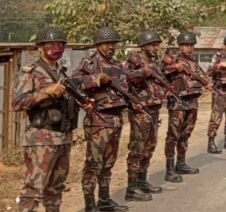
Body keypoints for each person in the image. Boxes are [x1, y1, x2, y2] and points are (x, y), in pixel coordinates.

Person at [13, 27, 91, 212]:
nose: (57, 47)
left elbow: (67, 100)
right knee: (33, 189)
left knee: (55, 188)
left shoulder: (62, 73)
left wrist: (82, 104)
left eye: (60, 44)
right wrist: (44, 92)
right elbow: (17, 103)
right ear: (40, 47)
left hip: (63, 137)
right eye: (52, 44)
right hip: (41, 138)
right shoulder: (30, 72)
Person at [72, 27, 148, 212]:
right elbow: (74, 82)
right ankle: (90, 204)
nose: (110, 47)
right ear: (98, 44)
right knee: (93, 164)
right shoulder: (90, 63)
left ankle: (104, 199)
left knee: (109, 162)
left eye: (113, 43)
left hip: (116, 118)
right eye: (107, 43)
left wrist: (134, 104)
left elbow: (124, 90)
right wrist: (97, 78)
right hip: (98, 120)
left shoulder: (116, 65)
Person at [122, 31, 166, 201]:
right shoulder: (132, 62)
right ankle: (131, 188)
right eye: (153, 45)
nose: (156, 48)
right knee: (137, 149)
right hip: (140, 110)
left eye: (157, 44)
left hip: (154, 108)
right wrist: (142, 72)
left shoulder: (153, 61)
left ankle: (142, 181)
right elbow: (123, 80)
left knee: (150, 145)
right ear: (144, 46)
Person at [161, 31, 207, 182]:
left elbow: (202, 76)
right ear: (180, 46)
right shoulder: (171, 60)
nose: (188, 48)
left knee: (186, 133)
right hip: (178, 102)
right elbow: (161, 74)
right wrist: (175, 68)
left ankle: (181, 163)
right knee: (173, 135)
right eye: (185, 45)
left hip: (192, 101)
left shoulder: (193, 62)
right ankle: (169, 169)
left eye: (190, 45)